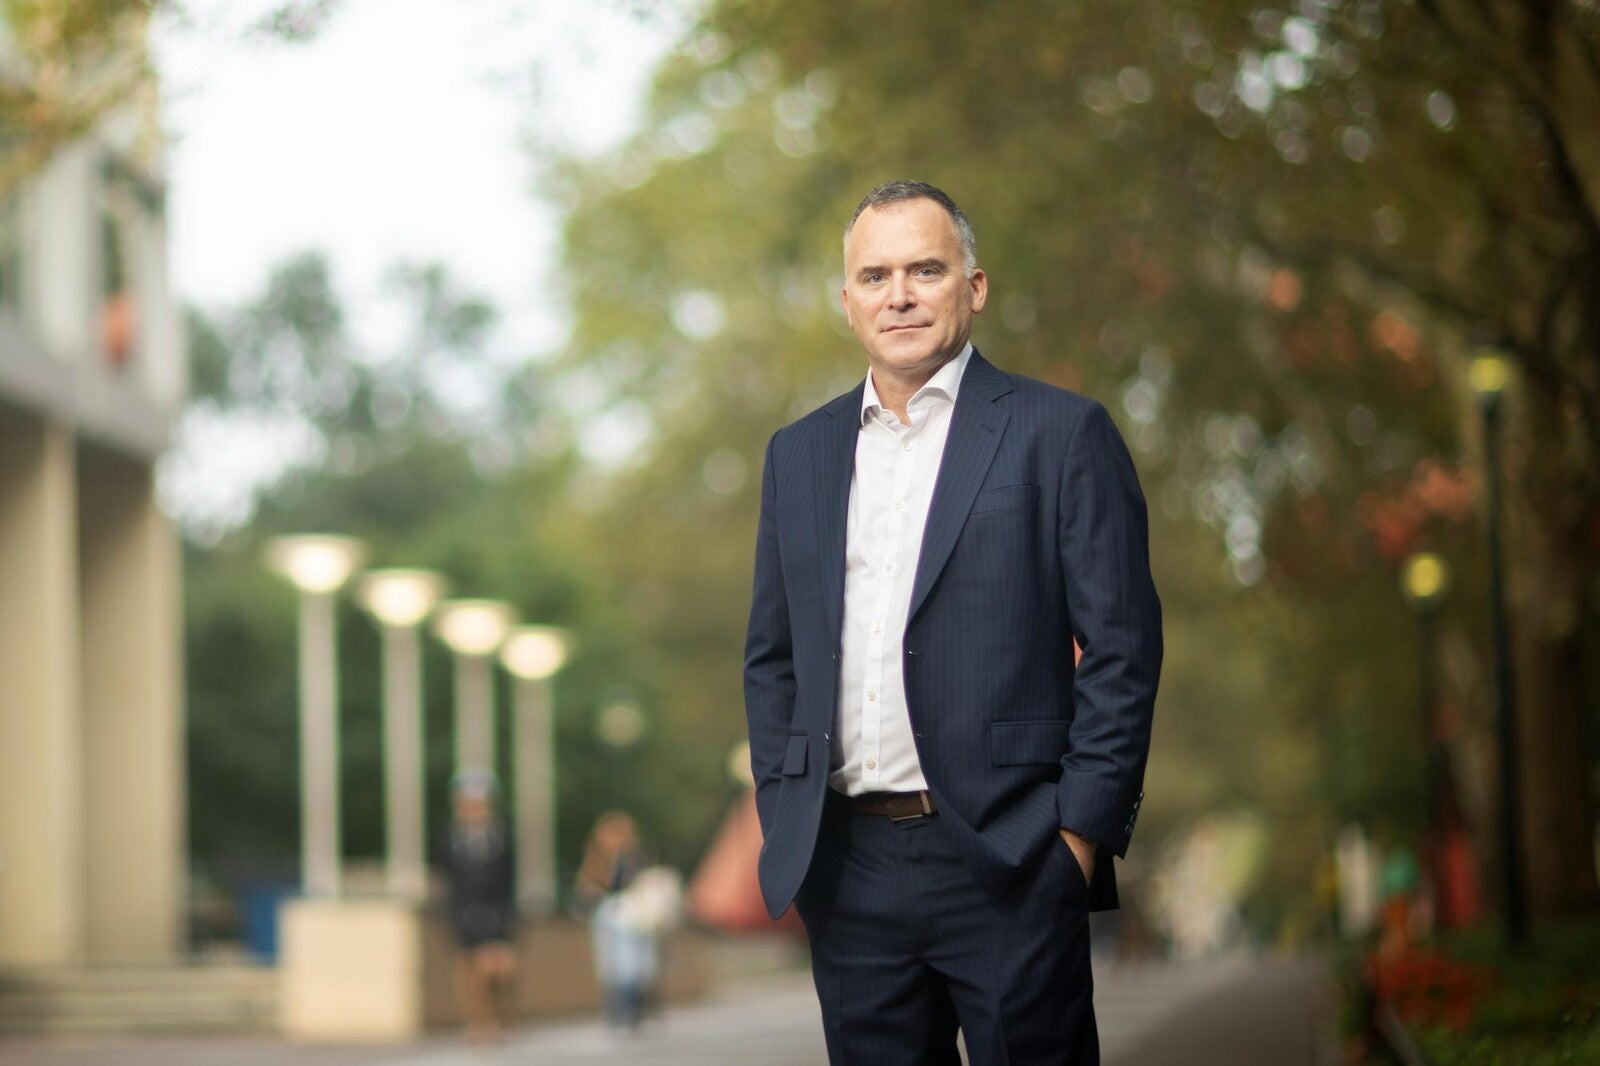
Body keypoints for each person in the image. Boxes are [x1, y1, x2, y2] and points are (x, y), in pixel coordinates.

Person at [744, 180, 1162, 1064]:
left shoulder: (1062, 433)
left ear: (973, 287)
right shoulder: (799, 455)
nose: (900, 294)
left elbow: (1123, 650)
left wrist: (1076, 840)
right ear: (848, 300)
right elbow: (774, 659)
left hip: (1011, 860)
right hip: (848, 871)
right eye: (876, 275)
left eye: (925, 269)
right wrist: (789, 816)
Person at [436, 768, 517, 1042]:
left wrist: (508, 917)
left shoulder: (502, 835)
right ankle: (478, 1021)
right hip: (463, 913)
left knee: (497, 968)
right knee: (468, 971)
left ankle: (497, 1014)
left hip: (495, 912)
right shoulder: (449, 836)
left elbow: (510, 880)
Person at [573, 811, 658, 1031]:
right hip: (605, 914)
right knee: (609, 963)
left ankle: (633, 1009)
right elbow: (587, 885)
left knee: (634, 963)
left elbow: (632, 883)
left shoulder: (633, 856)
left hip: (630, 913)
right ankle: (615, 1009)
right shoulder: (596, 856)